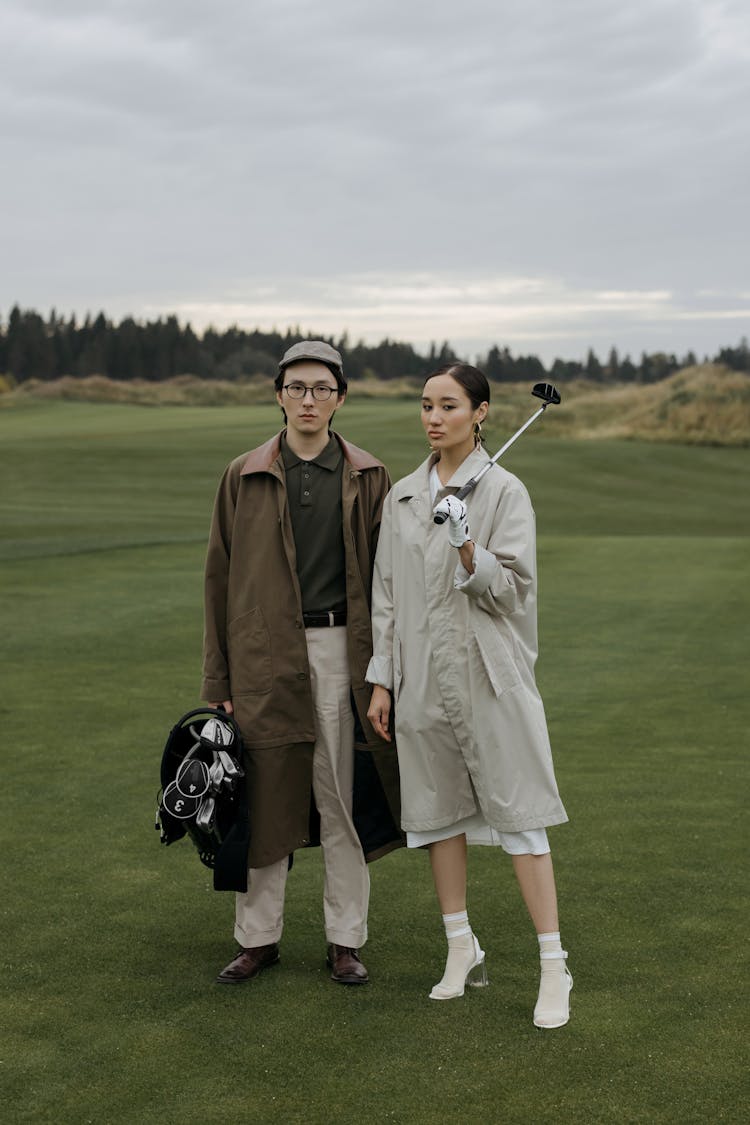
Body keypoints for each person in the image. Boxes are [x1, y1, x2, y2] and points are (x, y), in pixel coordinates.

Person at [366, 362, 572, 1028]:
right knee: (437, 815)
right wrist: (381, 677)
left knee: (520, 816)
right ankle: (461, 948)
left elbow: (512, 592)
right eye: (425, 404)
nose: (433, 417)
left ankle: (552, 966)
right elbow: (388, 597)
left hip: (487, 675)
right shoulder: (402, 497)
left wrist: (466, 546)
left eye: (448, 405)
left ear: (480, 412)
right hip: (421, 675)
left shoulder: (505, 492)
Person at [202, 339, 402, 987]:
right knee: (263, 802)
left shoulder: (371, 476)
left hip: (346, 653)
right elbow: (218, 582)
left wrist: (387, 674)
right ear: (278, 394)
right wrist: (219, 680)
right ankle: (257, 938)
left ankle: (345, 939)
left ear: (340, 398)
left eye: (321, 388)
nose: (308, 399)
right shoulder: (243, 473)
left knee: (341, 800)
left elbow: (393, 584)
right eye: (296, 388)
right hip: (265, 659)